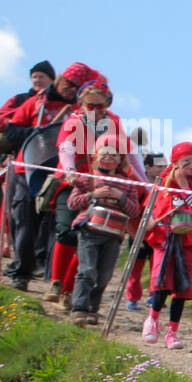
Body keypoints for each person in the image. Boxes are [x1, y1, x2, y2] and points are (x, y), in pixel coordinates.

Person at [49, 77, 144, 310]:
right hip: (75, 182)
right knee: (66, 231)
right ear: (81, 104)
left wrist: (145, 181)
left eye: (100, 105)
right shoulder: (73, 122)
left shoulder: (114, 122)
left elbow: (129, 153)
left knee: (89, 237)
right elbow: (66, 148)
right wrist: (70, 171)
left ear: (107, 105)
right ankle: (56, 282)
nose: (95, 110)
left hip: (104, 182)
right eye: (90, 105)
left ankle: (70, 289)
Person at [0, 62, 92, 290]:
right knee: (25, 222)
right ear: (60, 80)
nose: (71, 90)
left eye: (76, 87)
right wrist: (34, 132)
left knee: (57, 225)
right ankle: (21, 273)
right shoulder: (36, 102)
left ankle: (51, 274)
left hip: (61, 173)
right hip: (27, 168)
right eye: (68, 85)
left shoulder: (81, 111)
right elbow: (11, 130)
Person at [142, 142, 192, 350]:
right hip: (164, 239)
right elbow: (149, 210)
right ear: (176, 164)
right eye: (187, 162)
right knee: (161, 282)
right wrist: (150, 221)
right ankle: (152, 320)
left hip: (189, 241)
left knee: (183, 287)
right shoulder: (162, 183)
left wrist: (185, 189)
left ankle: (172, 332)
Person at [66, 133, 142, 326]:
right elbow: (72, 203)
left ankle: (93, 310)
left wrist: (120, 197)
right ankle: (79, 309)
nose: (109, 158)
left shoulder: (128, 184)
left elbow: (135, 210)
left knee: (104, 275)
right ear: (96, 155)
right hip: (89, 231)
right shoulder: (87, 178)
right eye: (105, 153)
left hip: (114, 235)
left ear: (121, 159)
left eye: (115, 155)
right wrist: (93, 195)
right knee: (87, 270)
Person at [0, 61, 55, 242]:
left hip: (51, 160)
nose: (37, 80)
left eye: (42, 76)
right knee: (13, 198)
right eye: (34, 76)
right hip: (21, 157)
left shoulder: (58, 103)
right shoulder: (20, 100)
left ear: (52, 80)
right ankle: (5, 237)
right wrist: (18, 121)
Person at [125, 153, 166, 310]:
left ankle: (154, 296)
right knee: (135, 267)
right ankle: (132, 298)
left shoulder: (166, 185)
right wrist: (134, 233)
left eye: (164, 166)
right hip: (138, 230)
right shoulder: (137, 184)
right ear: (147, 167)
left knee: (156, 265)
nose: (162, 170)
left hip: (158, 231)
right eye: (159, 166)